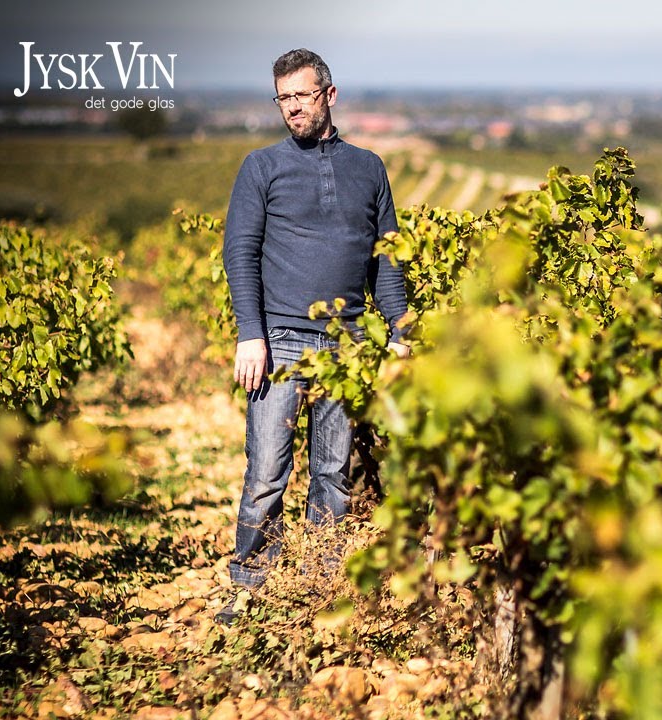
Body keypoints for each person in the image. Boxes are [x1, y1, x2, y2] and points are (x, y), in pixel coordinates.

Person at [217, 48, 410, 625]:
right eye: (283, 99)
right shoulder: (261, 167)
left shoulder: (369, 167)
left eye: (301, 96)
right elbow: (240, 252)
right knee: (267, 470)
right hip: (278, 341)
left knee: (333, 472)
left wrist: (400, 332)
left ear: (329, 95)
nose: (292, 108)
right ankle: (249, 587)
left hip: (348, 346)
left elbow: (387, 258)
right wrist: (250, 334)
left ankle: (319, 583)